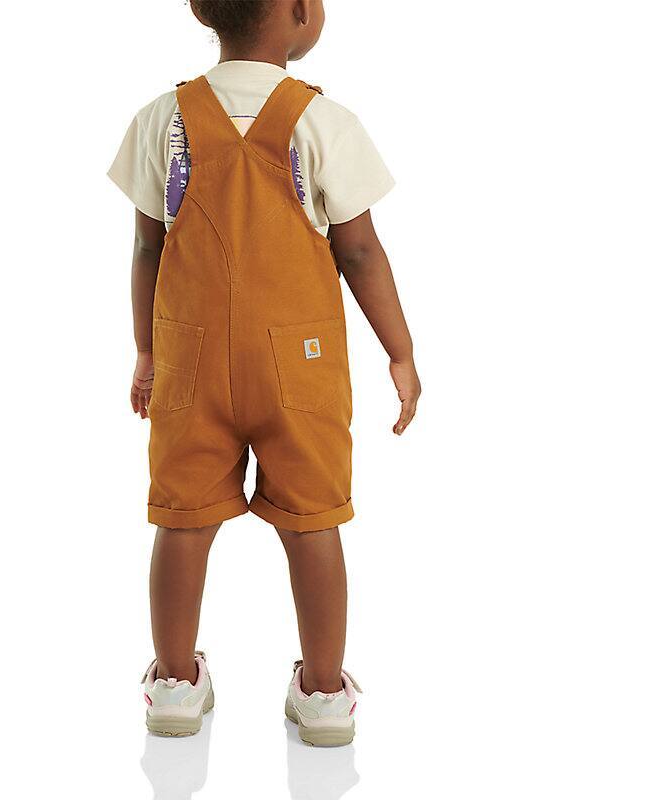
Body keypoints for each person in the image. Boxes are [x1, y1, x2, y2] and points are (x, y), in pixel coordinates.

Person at [109, 0, 420, 747]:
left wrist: (146, 350)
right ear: (300, 13)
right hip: (299, 368)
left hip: (188, 359)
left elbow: (148, 248)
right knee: (313, 521)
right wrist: (400, 351)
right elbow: (360, 251)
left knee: (182, 520)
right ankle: (323, 694)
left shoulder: (162, 119)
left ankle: (176, 685)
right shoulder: (323, 122)